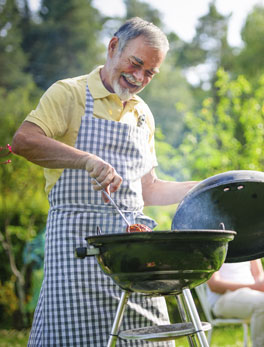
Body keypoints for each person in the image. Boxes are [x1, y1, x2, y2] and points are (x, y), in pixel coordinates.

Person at [11, 17, 198, 346]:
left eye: (150, 73)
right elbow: (24, 141)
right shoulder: (69, 94)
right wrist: (85, 159)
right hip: (77, 248)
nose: (139, 77)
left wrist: (201, 188)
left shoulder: (143, 114)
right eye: (135, 63)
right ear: (114, 47)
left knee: (147, 339)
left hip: (135, 257)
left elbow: (147, 189)